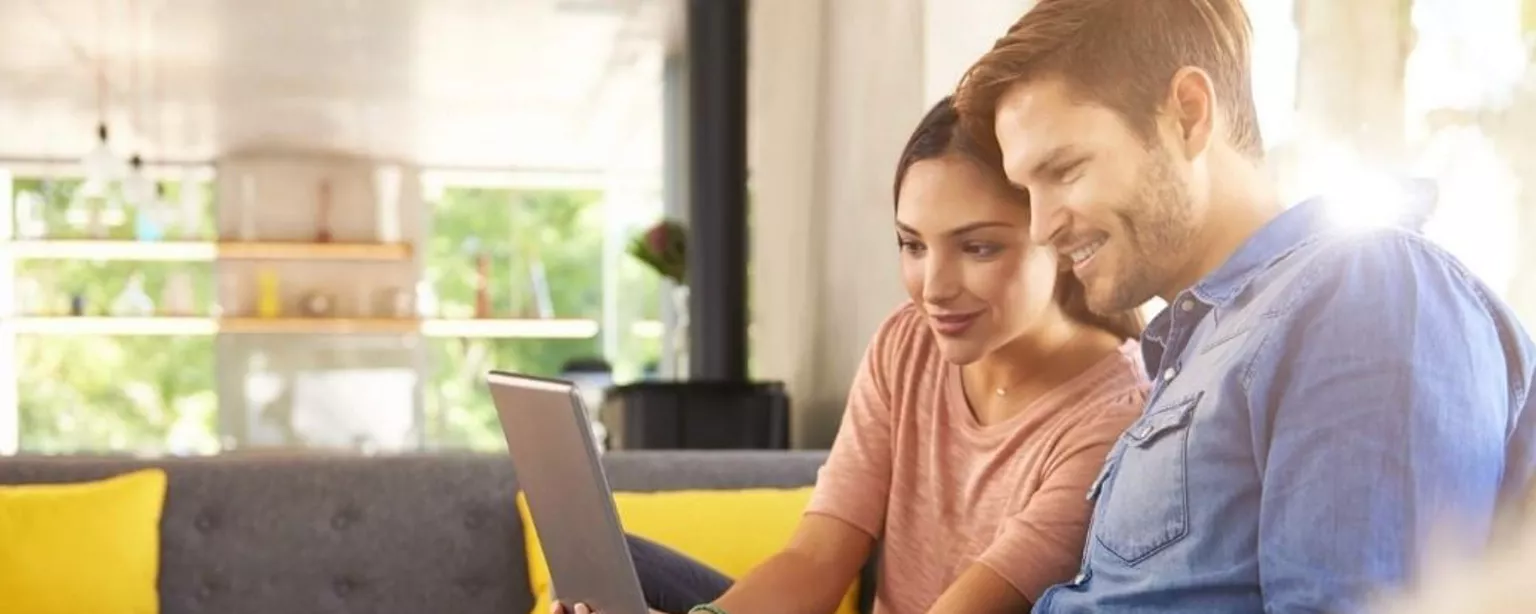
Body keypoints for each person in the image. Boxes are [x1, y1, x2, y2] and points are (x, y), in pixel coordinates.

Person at [949, 0, 1536, 612]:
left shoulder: (1365, 287)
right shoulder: (1201, 349)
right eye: (1026, 191)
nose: (1040, 227)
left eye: (1064, 170)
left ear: (1188, 114)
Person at [560, 97, 1151, 614]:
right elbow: (818, 558)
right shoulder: (908, 342)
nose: (934, 287)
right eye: (912, 244)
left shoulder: (1111, 418)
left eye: (977, 247)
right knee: (610, 568)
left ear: (1061, 237)